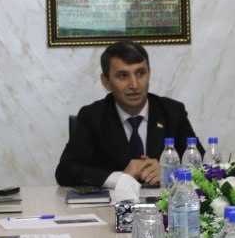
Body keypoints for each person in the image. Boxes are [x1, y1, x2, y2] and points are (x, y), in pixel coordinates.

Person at [55, 40, 198, 188]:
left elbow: (204, 167)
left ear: (149, 74)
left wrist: (170, 171)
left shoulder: (172, 112)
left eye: (140, 73)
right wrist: (119, 178)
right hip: (111, 203)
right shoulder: (93, 116)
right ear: (106, 81)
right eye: (123, 75)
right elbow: (65, 171)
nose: (134, 85)